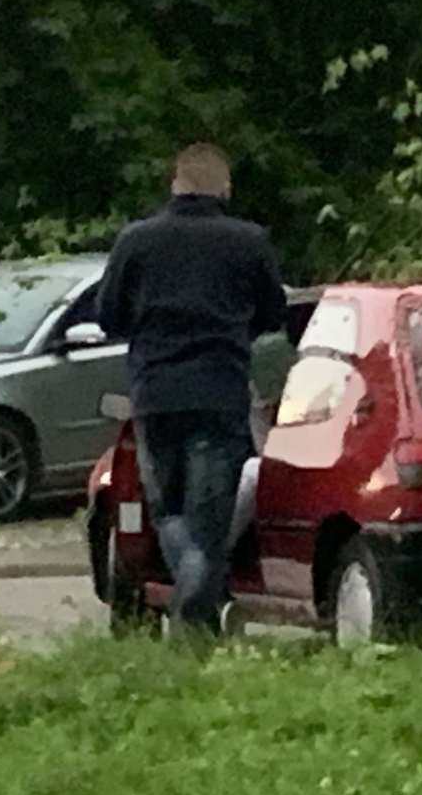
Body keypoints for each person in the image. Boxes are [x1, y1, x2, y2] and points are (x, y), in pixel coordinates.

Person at [96, 143, 287, 636]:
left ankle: (194, 621)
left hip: (154, 395)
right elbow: (272, 315)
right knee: (210, 523)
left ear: (174, 183)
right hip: (219, 394)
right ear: (224, 188)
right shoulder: (250, 241)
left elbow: (108, 317)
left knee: (168, 512)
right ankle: (198, 614)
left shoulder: (135, 241)